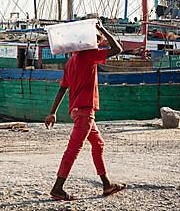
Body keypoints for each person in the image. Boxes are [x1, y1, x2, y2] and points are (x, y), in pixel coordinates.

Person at [45, 21, 125, 201]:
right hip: (85, 111)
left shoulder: (71, 61)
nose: (98, 44)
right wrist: (103, 28)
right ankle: (58, 188)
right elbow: (118, 49)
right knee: (73, 149)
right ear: (89, 41)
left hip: (77, 110)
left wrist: (52, 112)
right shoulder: (89, 55)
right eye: (97, 40)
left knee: (98, 144)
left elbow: (62, 89)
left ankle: (106, 184)